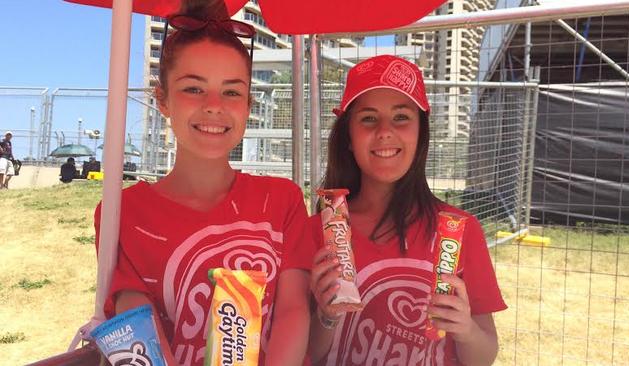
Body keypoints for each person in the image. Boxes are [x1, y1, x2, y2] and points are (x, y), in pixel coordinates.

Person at [93, 1, 313, 365]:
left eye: (231, 91)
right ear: (162, 99)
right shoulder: (120, 213)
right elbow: (136, 330)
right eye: (194, 89)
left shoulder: (282, 200)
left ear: (248, 104)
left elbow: (293, 311)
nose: (214, 105)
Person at [308, 55, 507, 366]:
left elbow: (484, 356)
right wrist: (326, 316)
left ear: (420, 133)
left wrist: (465, 330)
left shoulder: (461, 229)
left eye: (401, 117)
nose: (385, 131)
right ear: (348, 137)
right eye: (369, 119)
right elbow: (305, 353)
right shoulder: (317, 231)